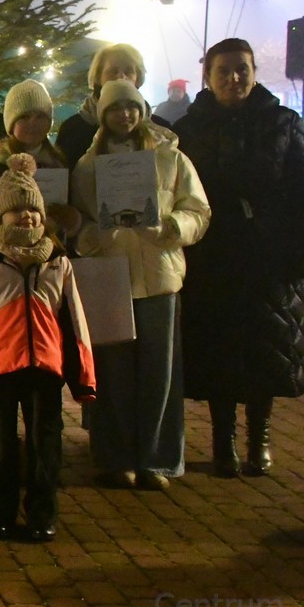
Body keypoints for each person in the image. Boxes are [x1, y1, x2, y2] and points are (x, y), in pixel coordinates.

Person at [174, 38, 304, 478]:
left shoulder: (283, 122)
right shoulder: (190, 127)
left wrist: (302, 248)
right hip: (213, 256)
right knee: (218, 350)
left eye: (242, 69)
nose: (234, 78)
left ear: (254, 72)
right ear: (208, 76)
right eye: (224, 71)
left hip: (268, 257)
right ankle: (223, 441)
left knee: (265, 349)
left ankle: (260, 437)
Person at [71, 81, 210, 490]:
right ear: (103, 115)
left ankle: (157, 459)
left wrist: (168, 228)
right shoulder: (87, 167)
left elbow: (198, 210)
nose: (125, 116)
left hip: (160, 275)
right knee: (113, 374)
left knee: (159, 373)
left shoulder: (171, 158)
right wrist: (98, 235)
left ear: (142, 109)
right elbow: (79, 225)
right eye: (116, 109)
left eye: (132, 107)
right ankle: (116, 457)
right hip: (111, 277)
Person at [0, 154, 96, 541]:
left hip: (45, 368)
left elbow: (75, 320)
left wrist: (82, 376)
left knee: (44, 442)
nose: (27, 217)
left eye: (33, 210)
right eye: (16, 211)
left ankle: (42, 513)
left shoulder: (57, 262)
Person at [0, 79, 73, 256]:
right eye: (24, 117)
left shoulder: (58, 162)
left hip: (53, 256)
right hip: (5, 258)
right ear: (11, 124)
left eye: (40, 116)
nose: (33, 123)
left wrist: (69, 218)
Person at [56, 43, 146, 168]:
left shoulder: (159, 130)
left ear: (138, 77)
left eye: (129, 71)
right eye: (113, 71)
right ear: (98, 77)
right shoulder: (73, 130)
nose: (121, 77)